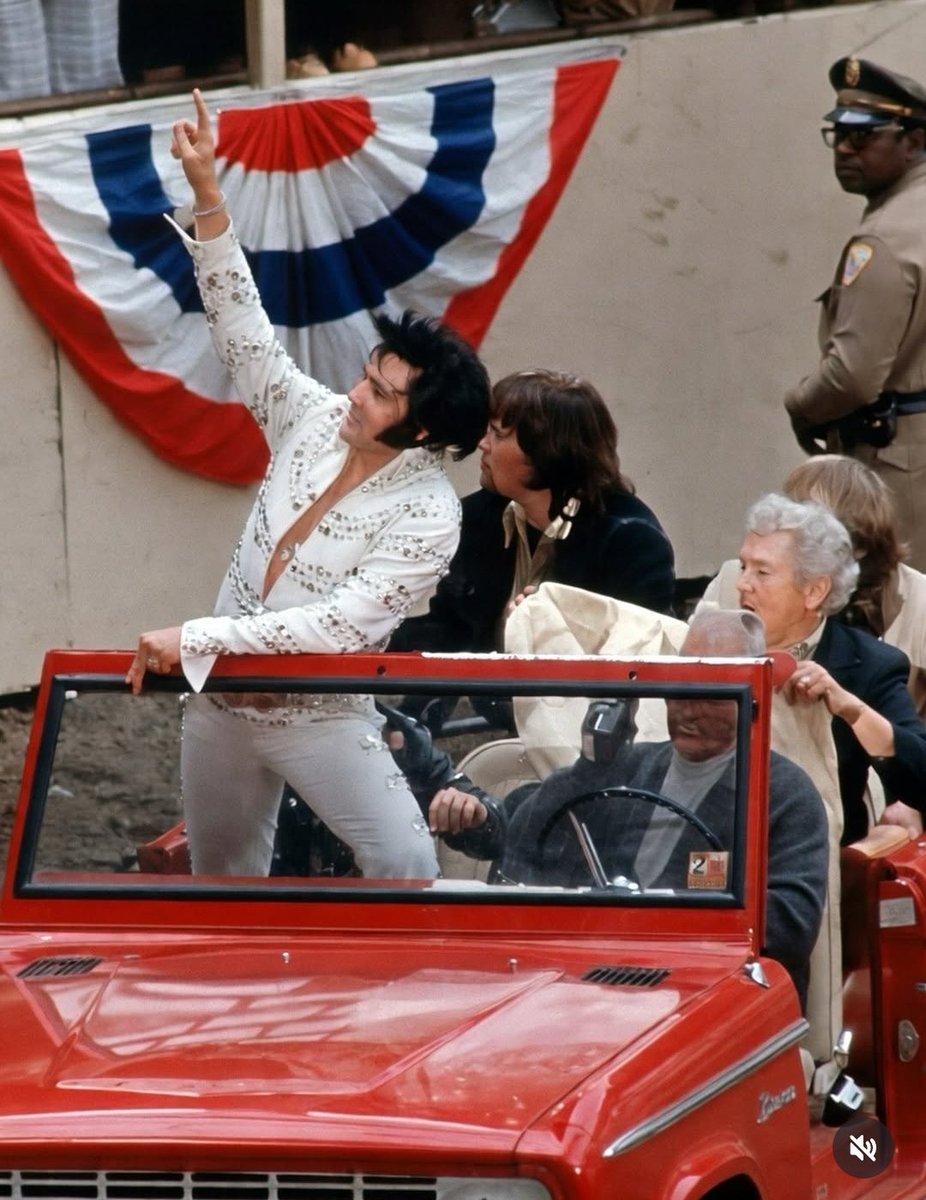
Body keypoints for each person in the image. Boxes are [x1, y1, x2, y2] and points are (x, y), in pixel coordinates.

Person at [125, 89, 492, 880]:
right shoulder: (316, 417)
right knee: (221, 888)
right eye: (367, 376)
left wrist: (195, 638)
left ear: (423, 429)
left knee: (407, 868)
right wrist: (211, 198)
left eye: (382, 393)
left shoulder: (431, 514)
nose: (357, 395)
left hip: (320, 716)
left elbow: (338, 630)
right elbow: (243, 335)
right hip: (219, 705)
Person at [427, 609, 828, 1011]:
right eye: (681, 690)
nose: (688, 710)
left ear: (751, 698)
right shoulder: (627, 766)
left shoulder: (784, 793)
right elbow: (523, 831)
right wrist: (483, 817)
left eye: (711, 694)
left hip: (712, 992)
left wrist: (660, 914)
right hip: (595, 981)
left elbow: (789, 926)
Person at [389, 368, 675, 728]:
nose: (483, 443)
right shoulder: (477, 518)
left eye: (498, 434)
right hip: (497, 724)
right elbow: (450, 633)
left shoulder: (630, 540)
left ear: (546, 453)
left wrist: (546, 631)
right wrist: (366, 637)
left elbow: (639, 670)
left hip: (595, 738)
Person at [783, 56, 926, 570]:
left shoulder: (885, 240)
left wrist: (800, 403)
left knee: (903, 626)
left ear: (913, 141)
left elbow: (853, 378)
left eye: (864, 137)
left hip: (902, 464)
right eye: (838, 133)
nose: (845, 146)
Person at [729, 494, 926, 845]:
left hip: (815, 857)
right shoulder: (714, 644)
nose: (742, 583)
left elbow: (920, 777)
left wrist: (852, 709)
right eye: (743, 567)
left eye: (761, 571)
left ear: (814, 591)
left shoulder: (870, 666)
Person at [784, 454, 926, 721]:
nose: (798, 541)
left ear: (859, 544)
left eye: (815, 531)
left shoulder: (919, 602)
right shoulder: (746, 582)